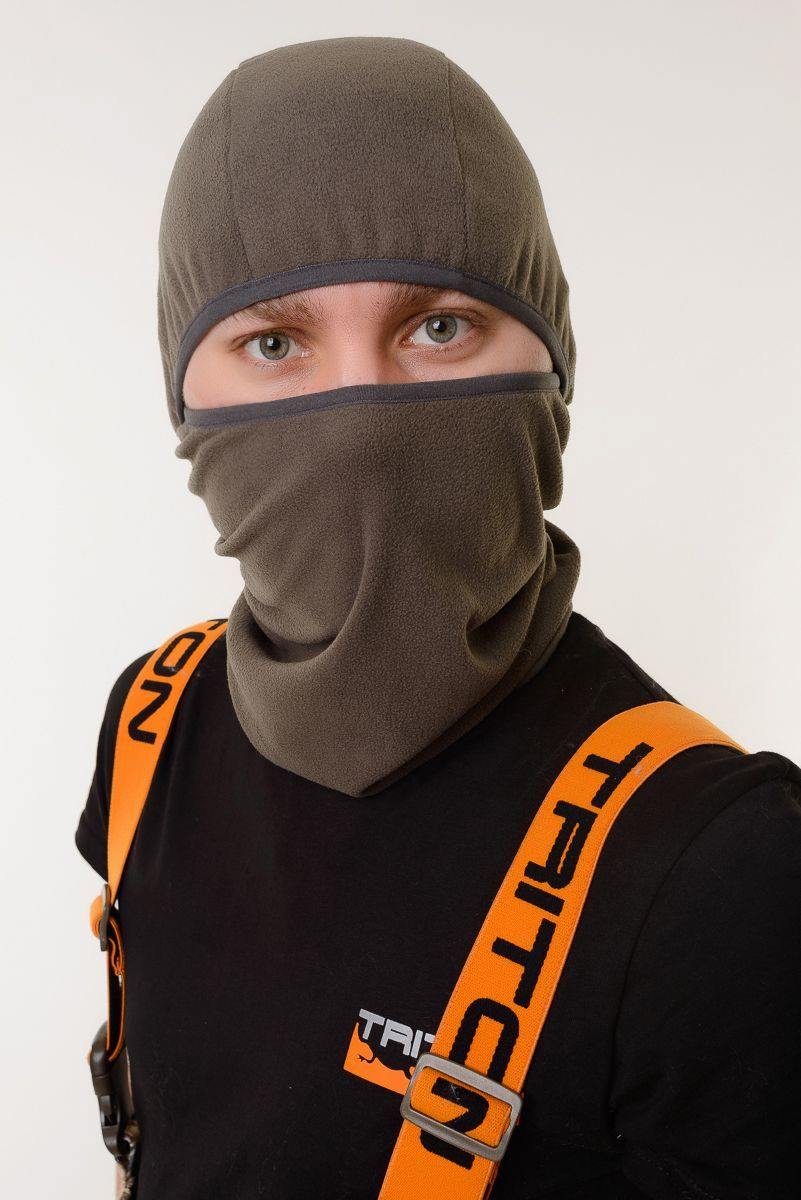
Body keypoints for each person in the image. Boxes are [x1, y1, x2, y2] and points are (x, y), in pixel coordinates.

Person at [75, 35, 801, 1200]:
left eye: (441, 327)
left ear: (554, 362)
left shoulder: (725, 870)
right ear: (183, 394)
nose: (362, 423)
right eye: (274, 343)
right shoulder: (150, 728)